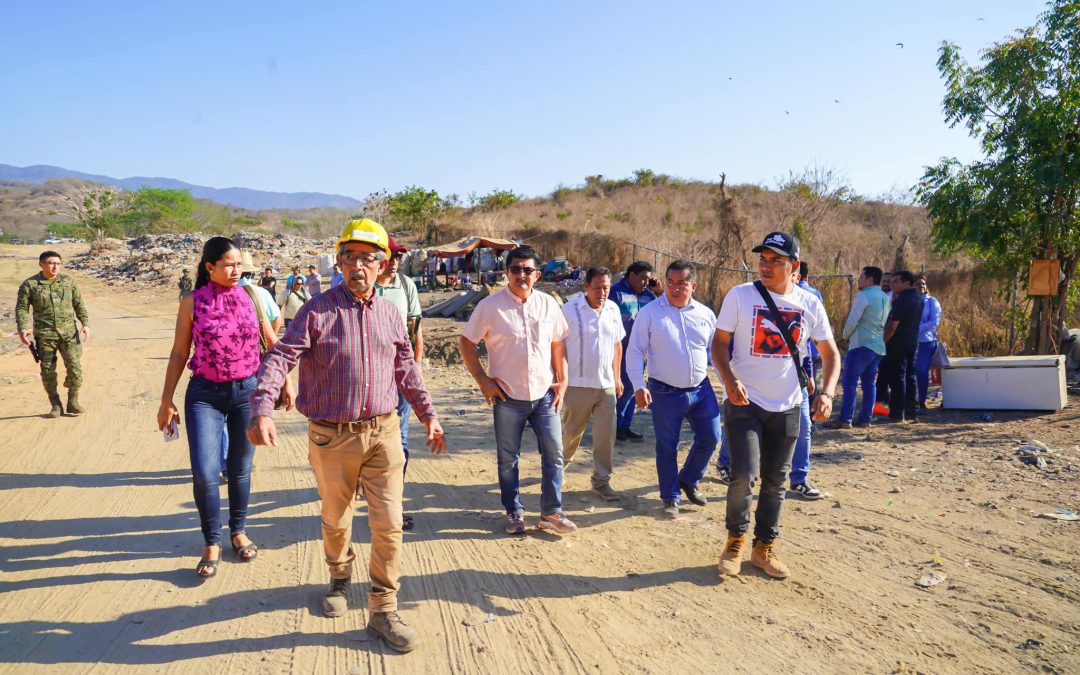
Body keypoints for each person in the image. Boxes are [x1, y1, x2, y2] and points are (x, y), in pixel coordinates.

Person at [246, 218, 446, 654]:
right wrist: (262, 407)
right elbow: (280, 358)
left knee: (389, 523)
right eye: (349, 258)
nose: (358, 266)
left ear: (382, 265)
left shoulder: (390, 313)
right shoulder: (316, 311)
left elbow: (407, 369)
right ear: (339, 263)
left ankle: (383, 608)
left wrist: (428, 415)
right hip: (331, 437)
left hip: (384, 432)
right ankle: (339, 575)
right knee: (337, 518)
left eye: (367, 258)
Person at [156, 237, 293, 580]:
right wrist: (166, 400)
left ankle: (238, 531)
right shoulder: (192, 302)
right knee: (205, 472)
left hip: (247, 392)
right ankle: (212, 542)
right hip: (205, 395)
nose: (236, 271)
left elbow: (272, 344)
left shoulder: (251, 296)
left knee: (240, 468)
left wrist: (287, 381)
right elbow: (179, 352)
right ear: (210, 267)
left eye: (239, 264)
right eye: (228, 265)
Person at [711, 232, 839, 579]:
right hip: (745, 401)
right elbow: (719, 344)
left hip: (788, 404)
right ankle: (735, 541)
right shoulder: (740, 296)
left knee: (776, 481)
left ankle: (763, 547)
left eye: (776, 261)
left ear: (794, 266)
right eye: (763, 259)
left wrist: (827, 393)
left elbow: (831, 354)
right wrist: (729, 380)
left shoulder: (809, 303)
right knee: (743, 475)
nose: (766, 266)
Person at [459, 245, 577, 535]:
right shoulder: (490, 307)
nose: (521, 275)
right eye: (515, 269)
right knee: (508, 459)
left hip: (545, 395)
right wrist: (482, 379)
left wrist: (562, 380)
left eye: (527, 270)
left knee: (555, 453)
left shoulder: (548, 304)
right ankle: (514, 512)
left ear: (537, 275)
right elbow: (467, 342)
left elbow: (558, 343)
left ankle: (551, 513)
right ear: (506, 272)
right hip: (507, 396)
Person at [626, 260, 719, 518]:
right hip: (664, 392)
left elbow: (716, 353)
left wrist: (731, 384)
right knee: (667, 445)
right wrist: (638, 385)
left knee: (712, 437)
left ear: (693, 286)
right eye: (670, 283)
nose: (675, 288)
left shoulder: (706, 315)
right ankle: (670, 497)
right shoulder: (650, 313)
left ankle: (689, 479)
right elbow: (635, 350)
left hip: (701, 390)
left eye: (682, 283)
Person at [560, 266, 626, 501]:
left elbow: (617, 345)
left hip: (606, 386)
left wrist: (617, 377)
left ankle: (601, 481)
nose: (602, 292)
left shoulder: (613, 309)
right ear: (586, 286)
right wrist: (559, 379)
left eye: (606, 287)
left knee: (605, 437)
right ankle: (558, 470)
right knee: (570, 434)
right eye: (597, 288)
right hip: (577, 384)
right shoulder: (569, 310)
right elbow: (558, 346)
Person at [373, 235, 424, 530]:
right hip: (369, 378)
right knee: (368, 441)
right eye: (389, 256)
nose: (394, 262)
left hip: (400, 374)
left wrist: (416, 367)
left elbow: (415, 328)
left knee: (400, 442)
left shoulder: (406, 286)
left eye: (398, 257)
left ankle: (394, 505)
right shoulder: (363, 287)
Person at [16, 250, 90, 417]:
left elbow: (79, 304)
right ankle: (55, 405)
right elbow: (21, 308)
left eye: (57, 263)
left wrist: (85, 324)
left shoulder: (68, 282)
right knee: (48, 371)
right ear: (41, 264)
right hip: (45, 336)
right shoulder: (30, 285)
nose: (55, 266)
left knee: (75, 368)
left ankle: (73, 401)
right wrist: (22, 328)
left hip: (69, 334)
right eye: (50, 263)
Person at [829, 266, 890, 428]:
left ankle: (845, 418)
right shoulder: (885, 297)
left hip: (861, 344)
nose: (859, 279)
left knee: (849, 382)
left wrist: (844, 337)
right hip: (878, 346)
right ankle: (865, 418)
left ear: (870, 279)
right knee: (869, 383)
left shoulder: (864, 296)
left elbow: (852, 320)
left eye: (861, 277)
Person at [609, 261, 658, 442]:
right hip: (619, 349)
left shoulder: (648, 296)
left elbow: (662, 310)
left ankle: (624, 426)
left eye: (648, 279)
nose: (645, 282)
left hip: (639, 351)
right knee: (620, 388)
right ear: (631, 276)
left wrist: (659, 291)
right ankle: (614, 427)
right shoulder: (616, 293)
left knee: (634, 387)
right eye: (642, 278)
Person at [880, 270, 925, 422]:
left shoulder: (903, 300)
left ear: (906, 283)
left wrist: (883, 342)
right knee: (910, 376)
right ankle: (912, 410)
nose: (892, 285)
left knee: (897, 378)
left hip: (897, 344)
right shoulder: (918, 298)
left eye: (896, 282)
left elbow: (893, 325)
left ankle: (897, 412)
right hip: (912, 342)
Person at [914, 275, 942, 410]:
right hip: (910, 341)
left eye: (923, 283)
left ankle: (921, 399)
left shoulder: (931, 301)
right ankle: (910, 399)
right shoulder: (910, 301)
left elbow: (934, 321)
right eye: (918, 283)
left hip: (926, 341)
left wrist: (917, 329)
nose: (921, 286)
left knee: (921, 370)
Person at [873, 271, 895, 415]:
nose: (886, 284)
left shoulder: (895, 297)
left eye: (888, 281)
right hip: (877, 337)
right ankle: (881, 397)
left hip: (891, 339)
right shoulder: (876, 296)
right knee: (881, 368)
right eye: (884, 281)